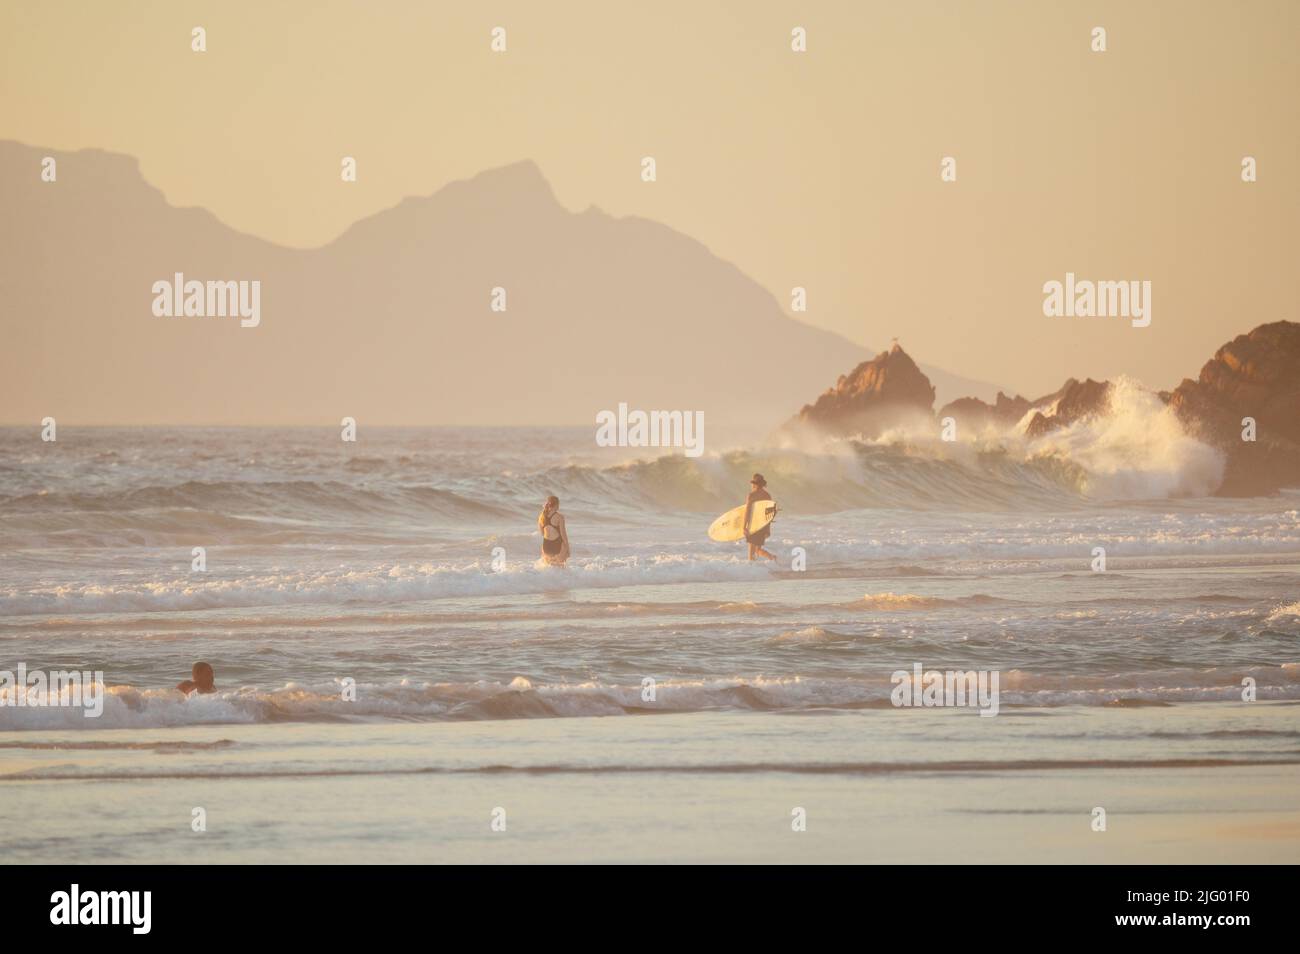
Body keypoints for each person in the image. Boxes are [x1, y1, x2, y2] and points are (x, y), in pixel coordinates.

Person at [743, 473, 776, 562]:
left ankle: (752, 570)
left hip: (754, 525)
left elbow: (747, 512)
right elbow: (769, 515)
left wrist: (744, 527)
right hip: (763, 526)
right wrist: (768, 529)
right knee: (757, 550)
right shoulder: (767, 495)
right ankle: (772, 558)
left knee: (751, 554)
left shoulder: (751, 495)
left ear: (754, 483)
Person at [538, 495, 570, 566]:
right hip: (557, 545)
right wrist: (567, 548)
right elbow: (563, 534)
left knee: (548, 569)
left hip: (546, 546)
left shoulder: (541, 516)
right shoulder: (560, 517)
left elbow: (542, 533)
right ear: (556, 505)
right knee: (561, 568)